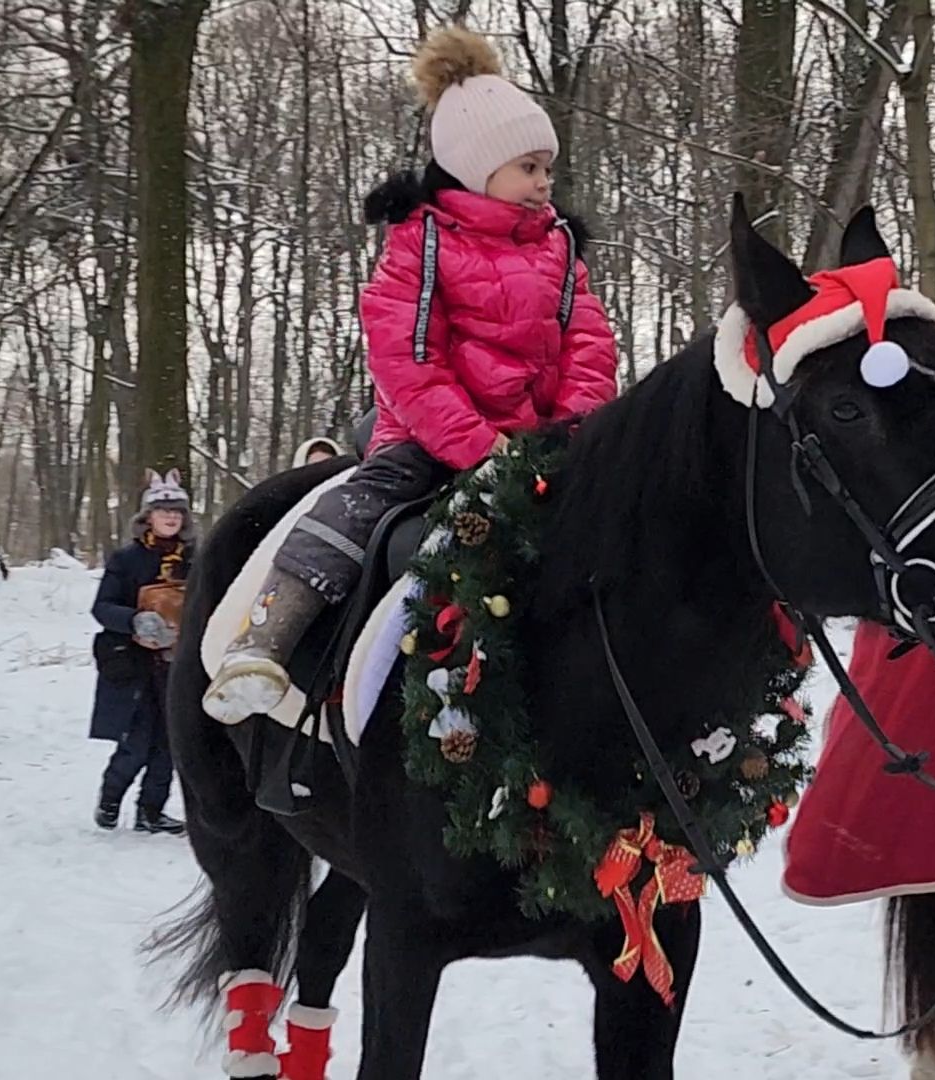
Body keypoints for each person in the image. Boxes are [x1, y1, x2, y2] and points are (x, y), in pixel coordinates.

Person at [202, 25, 618, 722]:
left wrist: (570, 429)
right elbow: (407, 360)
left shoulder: (558, 248)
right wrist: (482, 447)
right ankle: (268, 634)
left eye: (547, 166)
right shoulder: (421, 245)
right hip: (433, 439)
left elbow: (591, 346)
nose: (544, 181)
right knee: (359, 504)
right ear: (475, 168)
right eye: (527, 166)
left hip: (545, 443)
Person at [89, 470, 192, 835]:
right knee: (136, 742)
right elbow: (102, 607)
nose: (171, 517)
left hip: (179, 666)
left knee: (170, 744)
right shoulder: (126, 559)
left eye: (177, 512)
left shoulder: (195, 558)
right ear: (148, 516)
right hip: (136, 666)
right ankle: (110, 801)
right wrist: (135, 620)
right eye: (164, 511)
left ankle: (152, 810)